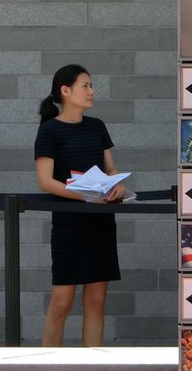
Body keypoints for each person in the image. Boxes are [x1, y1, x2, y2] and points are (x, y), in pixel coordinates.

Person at [34, 64, 126, 347]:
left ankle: (93, 370)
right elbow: (46, 182)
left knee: (96, 302)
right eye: (85, 85)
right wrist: (85, 196)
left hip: (100, 220)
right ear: (66, 91)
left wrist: (117, 186)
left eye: (91, 85)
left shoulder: (97, 126)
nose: (91, 91)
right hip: (69, 223)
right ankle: (46, 369)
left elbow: (111, 170)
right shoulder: (49, 130)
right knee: (62, 301)